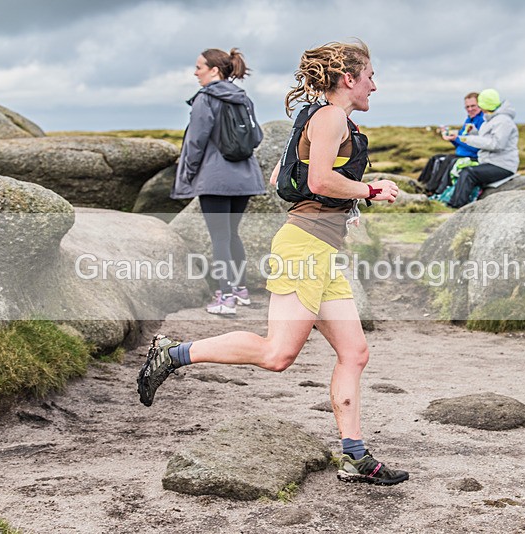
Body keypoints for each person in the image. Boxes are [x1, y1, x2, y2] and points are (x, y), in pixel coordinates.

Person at [139, 40, 409, 486]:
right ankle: (175, 353)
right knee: (278, 353)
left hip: (320, 249)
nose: (374, 87)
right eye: (370, 77)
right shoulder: (329, 117)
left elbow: (289, 176)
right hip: (303, 249)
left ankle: (355, 457)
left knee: (355, 352)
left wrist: (344, 213)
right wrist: (369, 189)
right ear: (349, 79)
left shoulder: (321, 117)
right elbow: (321, 179)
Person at [170, 48, 265, 315]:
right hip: (245, 177)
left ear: (214, 70)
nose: (195, 71)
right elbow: (256, 137)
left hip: (215, 178)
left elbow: (196, 142)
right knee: (232, 234)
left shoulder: (205, 99)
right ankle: (241, 290)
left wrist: (188, 173)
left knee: (219, 238)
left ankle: (225, 297)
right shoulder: (243, 98)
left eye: (199, 66)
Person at [445, 88, 518, 208]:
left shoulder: (504, 121)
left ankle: (455, 206)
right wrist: (471, 133)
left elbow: (496, 144)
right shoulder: (491, 119)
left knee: (469, 173)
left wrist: (466, 138)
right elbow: (484, 138)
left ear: (484, 105)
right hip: (490, 162)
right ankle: (454, 202)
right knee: (462, 169)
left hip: (503, 165)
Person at [418, 92, 484, 195]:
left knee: (448, 159)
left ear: (480, 105)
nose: (470, 109)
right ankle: (420, 184)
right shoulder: (468, 120)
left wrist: (457, 139)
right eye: (467, 107)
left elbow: (478, 146)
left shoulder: (482, 121)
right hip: (462, 154)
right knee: (435, 158)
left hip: (474, 157)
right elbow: (460, 144)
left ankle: (433, 190)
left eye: (473, 106)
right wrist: (452, 139)